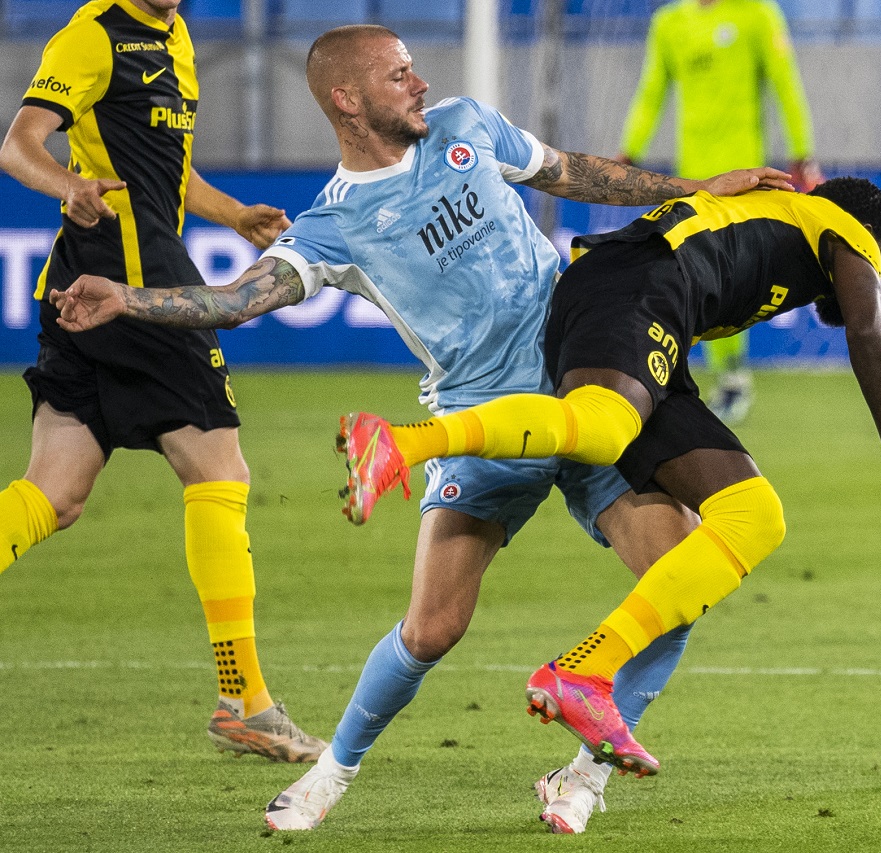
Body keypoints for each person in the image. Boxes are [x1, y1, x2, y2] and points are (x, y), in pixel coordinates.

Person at [50, 24, 792, 835]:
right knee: (432, 627)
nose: (419, 83)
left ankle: (583, 775)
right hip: (478, 419)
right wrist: (129, 297)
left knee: (682, 574)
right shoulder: (334, 225)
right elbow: (234, 300)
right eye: (398, 74)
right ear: (347, 99)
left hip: (586, 379)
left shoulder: (468, 125)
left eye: (413, 69)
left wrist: (698, 187)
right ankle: (328, 776)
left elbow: (577, 172)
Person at [325, 177, 881, 773]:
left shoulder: (781, 225)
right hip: (640, 285)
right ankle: (402, 443)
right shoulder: (845, 226)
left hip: (656, 327)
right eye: (880, 262)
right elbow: (870, 333)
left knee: (754, 515)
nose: (875, 272)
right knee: (601, 428)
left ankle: (585, 672)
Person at [0, 0, 325, 762]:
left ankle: (243, 700)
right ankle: (243, 699)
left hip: (79, 290)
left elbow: (166, 173)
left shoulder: (173, 36)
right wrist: (65, 185)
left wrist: (232, 212)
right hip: (136, 292)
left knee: (54, 492)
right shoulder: (94, 34)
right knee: (221, 470)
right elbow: (18, 145)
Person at [616, 0, 824, 425]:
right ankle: (717, 380)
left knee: (729, 279)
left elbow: (786, 83)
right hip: (694, 179)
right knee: (695, 278)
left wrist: (802, 152)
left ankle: (731, 377)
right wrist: (629, 151)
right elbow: (652, 90)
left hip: (746, 176)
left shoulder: (757, 14)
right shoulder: (669, 23)